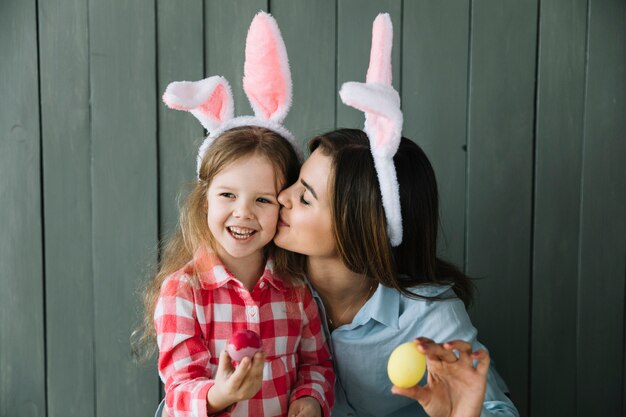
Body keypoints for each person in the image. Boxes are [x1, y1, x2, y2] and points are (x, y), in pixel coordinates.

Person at [272, 13, 519, 417]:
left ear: (359, 227)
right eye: (296, 183)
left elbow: (496, 411)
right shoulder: (269, 291)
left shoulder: (429, 315)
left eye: (305, 197)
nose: (282, 196)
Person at [143, 12, 335, 417]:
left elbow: (316, 364)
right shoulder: (184, 291)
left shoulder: (296, 290)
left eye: (263, 200)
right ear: (205, 199)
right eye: (228, 194)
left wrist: (309, 399)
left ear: (283, 203)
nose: (243, 213)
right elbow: (179, 389)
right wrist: (221, 394)